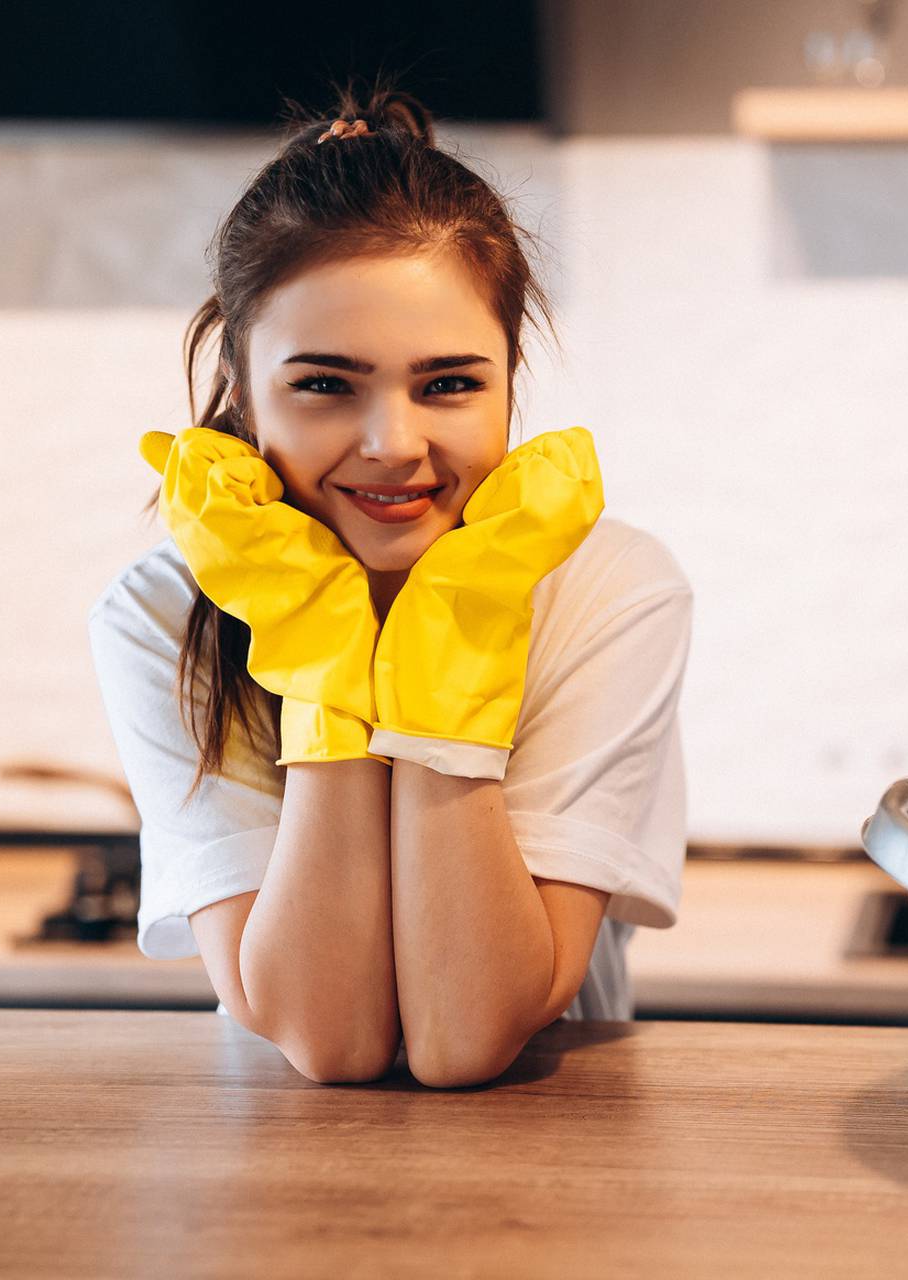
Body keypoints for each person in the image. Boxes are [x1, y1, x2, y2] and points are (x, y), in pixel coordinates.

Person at [86, 85, 693, 1088]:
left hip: (555, 1179)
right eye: (325, 384)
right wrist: (321, 646)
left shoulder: (612, 590)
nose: (394, 445)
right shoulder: (160, 613)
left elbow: (468, 1031)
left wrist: (457, 633)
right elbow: (327, 1036)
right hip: (285, 1182)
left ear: (509, 382)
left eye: (449, 383)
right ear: (240, 384)